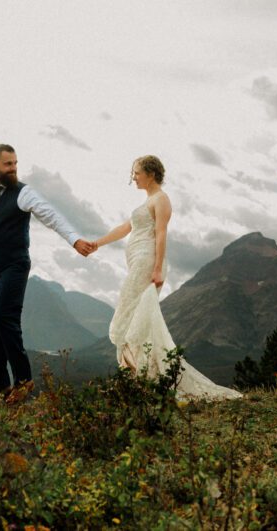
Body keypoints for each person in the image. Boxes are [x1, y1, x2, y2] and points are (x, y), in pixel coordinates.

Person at [0, 143, 95, 406]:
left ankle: (24, 380)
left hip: (15, 266)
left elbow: (51, 215)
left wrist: (74, 239)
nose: (14, 169)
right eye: (8, 164)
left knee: (3, 315)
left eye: (15, 163)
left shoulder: (24, 193)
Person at [91, 155, 242, 400]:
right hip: (137, 261)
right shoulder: (147, 202)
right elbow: (125, 228)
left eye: (137, 172)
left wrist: (158, 268)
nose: (133, 177)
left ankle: (139, 380)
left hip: (148, 261)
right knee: (136, 321)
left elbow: (161, 233)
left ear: (151, 174)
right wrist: (97, 243)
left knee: (128, 319)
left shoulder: (161, 200)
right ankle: (139, 380)